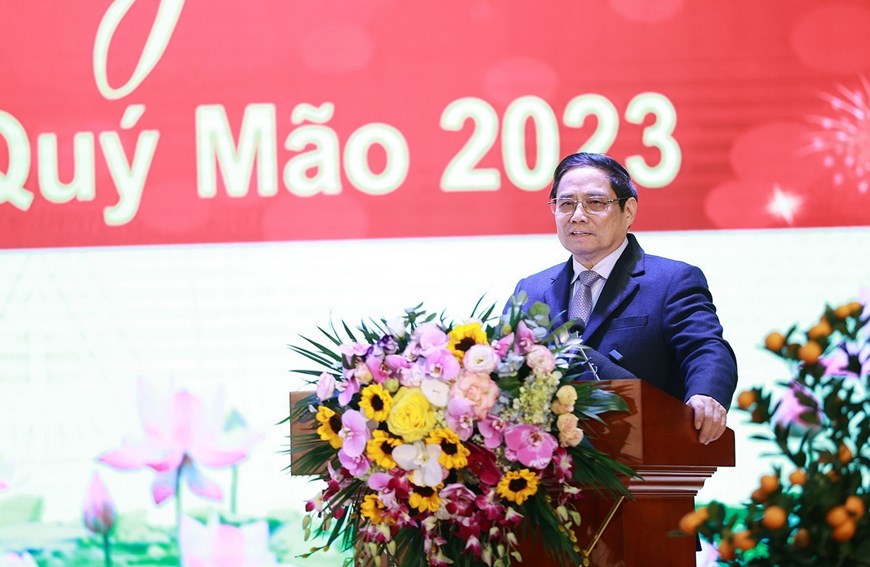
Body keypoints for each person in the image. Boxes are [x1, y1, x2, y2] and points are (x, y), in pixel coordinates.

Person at [507, 152, 737, 445]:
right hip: (551, 458)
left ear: (628, 210)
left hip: (647, 451)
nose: (577, 215)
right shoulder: (531, 291)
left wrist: (706, 393)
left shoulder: (671, 280)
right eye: (566, 204)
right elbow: (505, 366)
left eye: (595, 202)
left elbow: (704, 347)